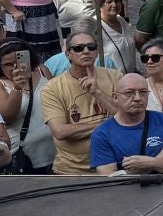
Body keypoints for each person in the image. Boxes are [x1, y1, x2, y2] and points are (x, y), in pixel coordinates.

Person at [40, 25, 120, 174]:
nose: (86, 51)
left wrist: (98, 93)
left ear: (97, 52)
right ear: (68, 54)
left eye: (91, 47)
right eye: (79, 48)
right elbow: (61, 131)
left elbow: (128, 117)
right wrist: (110, 125)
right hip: (72, 171)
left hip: (115, 164)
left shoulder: (115, 76)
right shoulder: (53, 88)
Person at [88, 73, 163, 175]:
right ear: (115, 97)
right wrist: (160, 161)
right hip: (125, 192)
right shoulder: (102, 133)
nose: (137, 98)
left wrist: (149, 162)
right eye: (129, 93)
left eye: (143, 92)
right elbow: (109, 178)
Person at [0, 37, 38, 173]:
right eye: (8, 64)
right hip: (21, 156)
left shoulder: (42, 71)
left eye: (19, 61)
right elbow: (7, 117)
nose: (15, 67)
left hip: (53, 151)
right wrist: (17, 88)